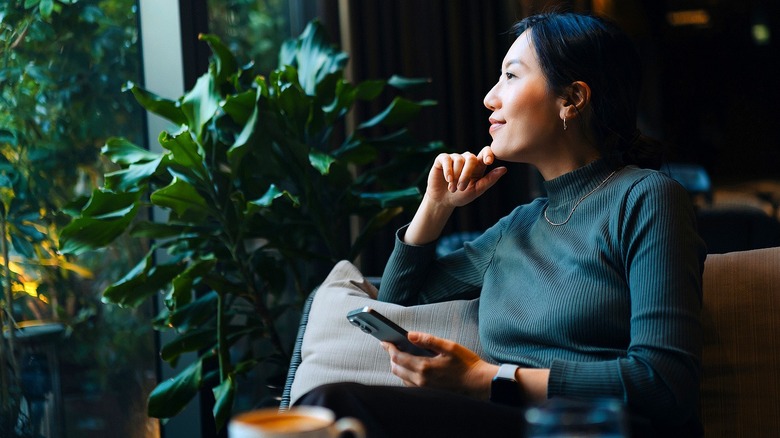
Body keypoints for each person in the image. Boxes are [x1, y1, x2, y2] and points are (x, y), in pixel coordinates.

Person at [296, 11, 706, 437]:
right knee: (324, 411)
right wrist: (435, 206)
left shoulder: (647, 197)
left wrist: (485, 379)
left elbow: (665, 384)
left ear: (572, 99)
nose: (491, 98)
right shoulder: (518, 227)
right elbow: (399, 300)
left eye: (511, 76)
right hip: (510, 422)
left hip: (598, 428)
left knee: (330, 406)